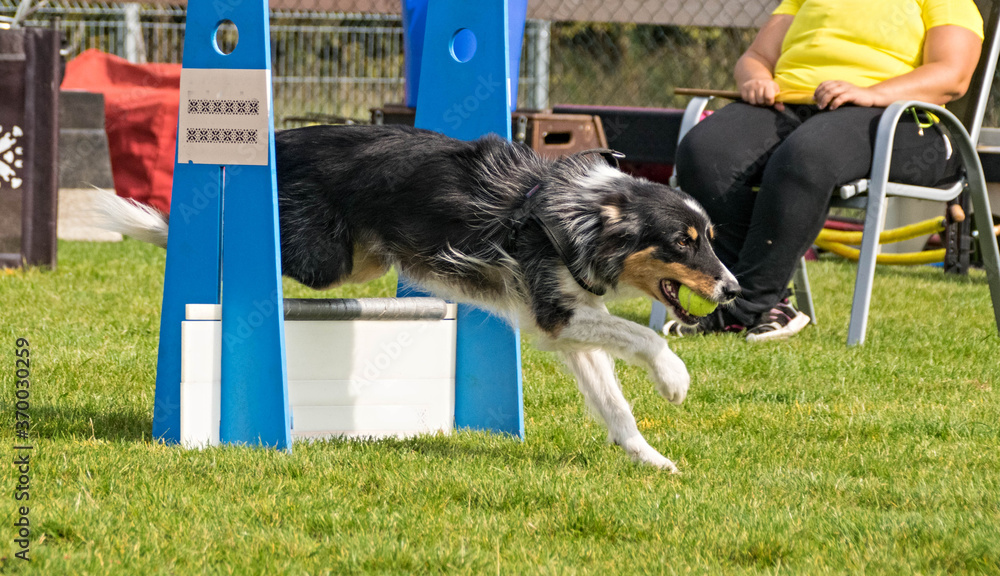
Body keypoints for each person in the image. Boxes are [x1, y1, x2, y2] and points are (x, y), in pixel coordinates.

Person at [668, 0, 984, 342]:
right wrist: (756, 78)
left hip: (898, 119)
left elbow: (953, 75)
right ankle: (749, 295)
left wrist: (871, 93)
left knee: (807, 154)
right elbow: (756, 57)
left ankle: (745, 305)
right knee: (705, 151)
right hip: (789, 108)